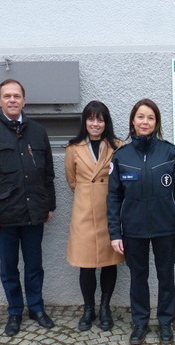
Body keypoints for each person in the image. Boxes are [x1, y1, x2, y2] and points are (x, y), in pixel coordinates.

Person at [0, 79, 56, 336]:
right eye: (7, 96)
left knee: (35, 264)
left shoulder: (37, 131)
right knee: (8, 267)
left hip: (33, 213)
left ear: (24, 100)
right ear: (0, 100)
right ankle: (15, 311)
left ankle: (36, 308)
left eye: (17, 96)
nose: (12, 100)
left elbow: (48, 174)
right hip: (2, 216)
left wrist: (49, 205)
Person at [107, 98, 175, 345]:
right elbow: (113, 197)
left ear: (156, 122)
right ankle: (140, 322)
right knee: (138, 278)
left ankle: (165, 322)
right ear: (133, 121)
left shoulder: (170, 153)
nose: (145, 122)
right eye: (141, 117)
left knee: (166, 276)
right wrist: (115, 233)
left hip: (166, 228)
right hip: (133, 230)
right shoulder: (121, 156)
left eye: (150, 117)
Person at [65, 101, 124, 332]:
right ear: (85, 121)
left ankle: (106, 306)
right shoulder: (73, 148)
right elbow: (72, 181)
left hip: (109, 213)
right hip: (83, 214)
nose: (95, 124)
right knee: (86, 265)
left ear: (106, 122)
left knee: (110, 263)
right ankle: (89, 308)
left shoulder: (117, 146)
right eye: (91, 119)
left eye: (100, 119)